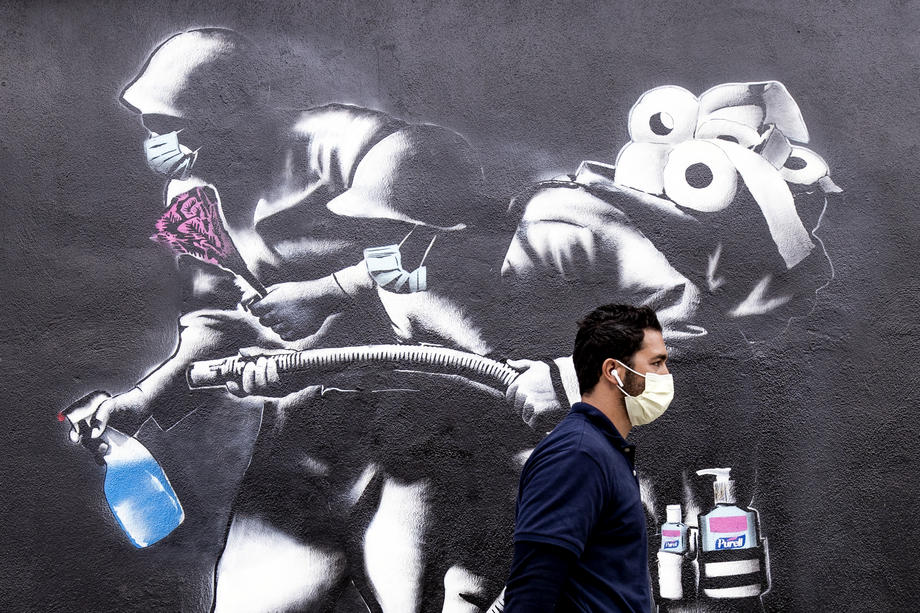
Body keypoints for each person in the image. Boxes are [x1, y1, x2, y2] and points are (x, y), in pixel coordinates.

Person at [63, 27, 526, 612]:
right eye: (152, 125)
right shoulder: (193, 198)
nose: (158, 142)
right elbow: (218, 316)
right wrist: (144, 400)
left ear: (228, 114)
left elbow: (446, 247)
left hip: (438, 407)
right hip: (313, 418)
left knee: (424, 588)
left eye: (170, 124)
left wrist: (330, 290)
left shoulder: (356, 146)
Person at [504, 304, 673, 612]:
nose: (666, 375)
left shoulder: (603, 451)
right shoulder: (577, 456)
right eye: (657, 363)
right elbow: (531, 595)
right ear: (613, 372)